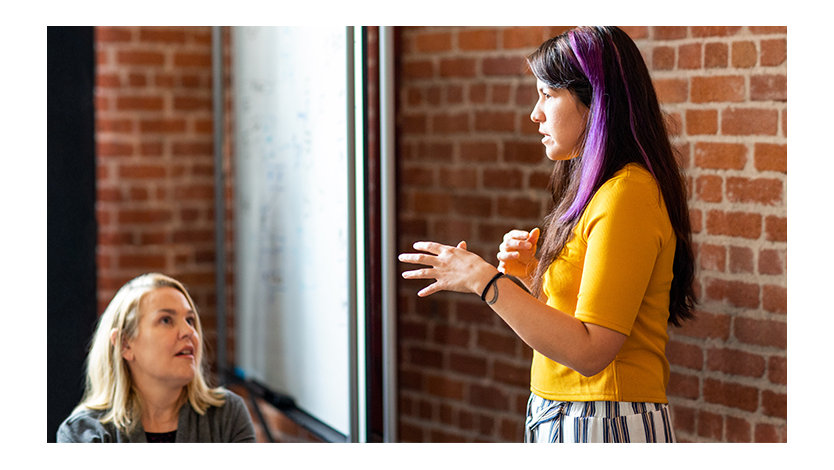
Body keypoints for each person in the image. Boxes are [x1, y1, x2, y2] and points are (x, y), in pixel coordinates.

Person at [398, 26, 695, 443]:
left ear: (595, 100)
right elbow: (576, 322)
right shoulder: (604, 190)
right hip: (568, 412)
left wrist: (484, 281)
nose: (535, 113)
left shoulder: (628, 193)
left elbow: (590, 352)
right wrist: (531, 278)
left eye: (548, 95)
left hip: (603, 417)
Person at [57, 273, 256, 443]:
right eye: (166, 320)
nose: (188, 331)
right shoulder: (81, 433)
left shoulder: (227, 414)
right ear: (125, 344)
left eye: (190, 320)